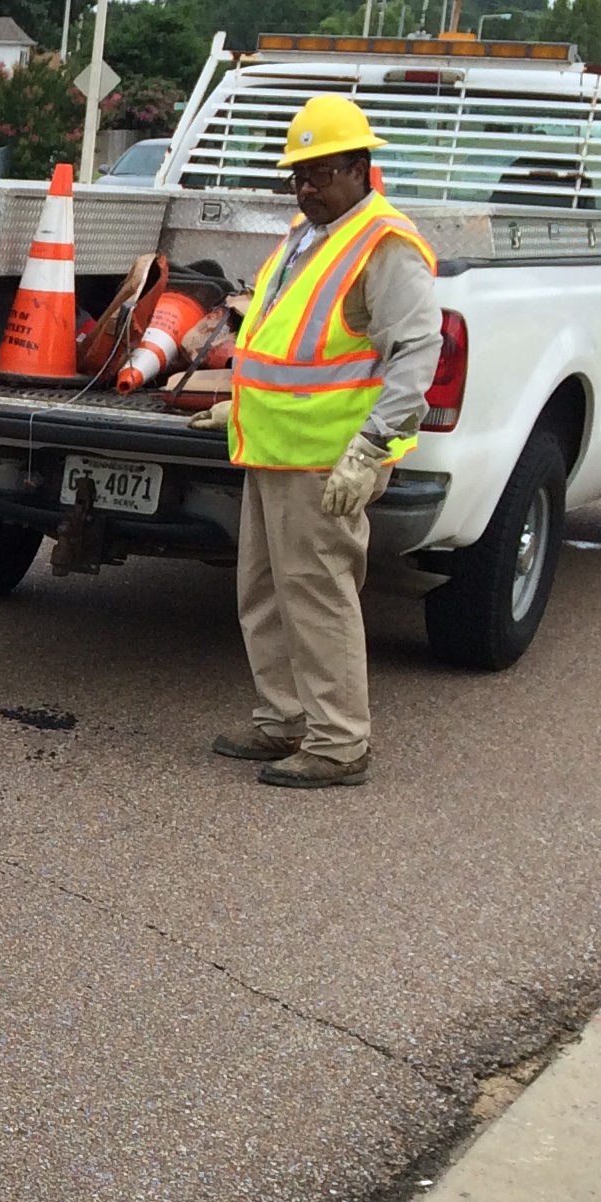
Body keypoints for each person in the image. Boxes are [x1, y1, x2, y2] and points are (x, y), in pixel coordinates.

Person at [211, 94, 442, 789]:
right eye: (298, 175)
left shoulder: (384, 245)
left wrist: (369, 450)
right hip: (273, 446)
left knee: (317, 595)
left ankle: (339, 743)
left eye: (320, 173)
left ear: (360, 169)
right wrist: (238, 406)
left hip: (327, 458)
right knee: (264, 592)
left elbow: (415, 355)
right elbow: (285, 338)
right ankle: (283, 720)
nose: (306, 187)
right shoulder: (308, 233)